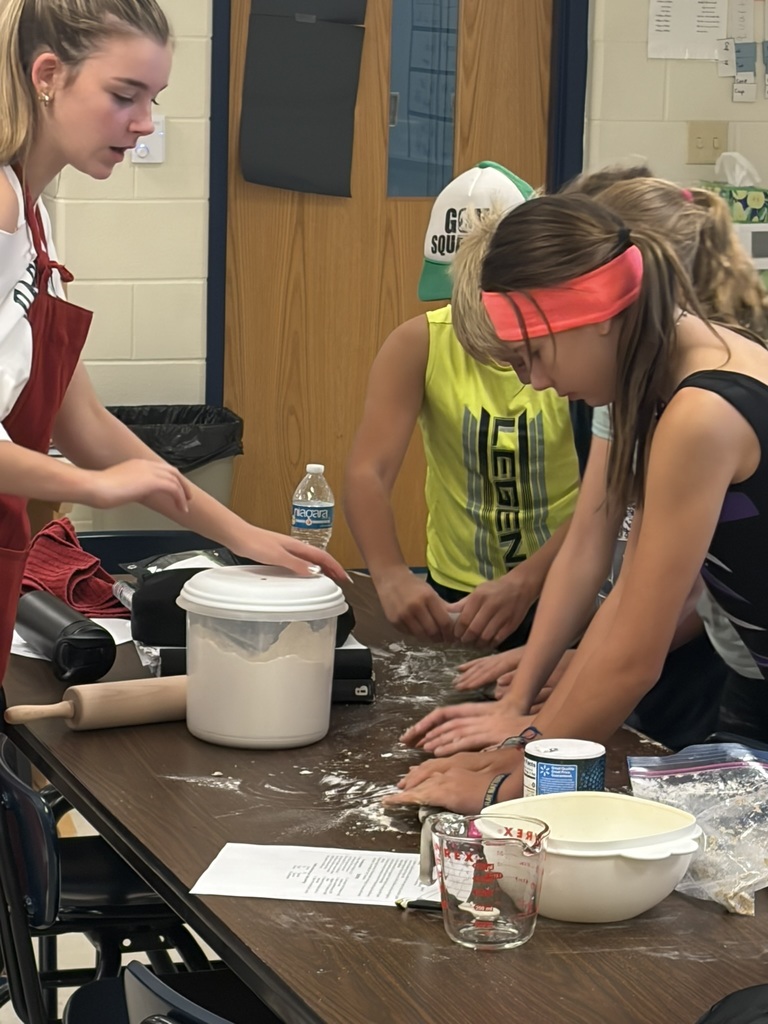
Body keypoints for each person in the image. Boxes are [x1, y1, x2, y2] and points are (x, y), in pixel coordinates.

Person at [386, 185, 768, 812]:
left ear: (600, 317)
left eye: (534, 354)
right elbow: (624, 604)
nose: (537, 381)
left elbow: (634, 657)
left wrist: (505, 785)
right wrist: (531, 741)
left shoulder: (703, 412)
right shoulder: (666, 380)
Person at [0, 0, 346, 687]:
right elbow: (94, 460)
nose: (144, 123)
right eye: (123, 96)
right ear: (47, 75)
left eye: (153, 99)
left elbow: (86, 423)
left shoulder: (32, 218)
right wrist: (90, 484)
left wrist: (241, 535)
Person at [344, 162, 583, 649]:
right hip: (460, 591)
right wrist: (389, 573)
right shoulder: (420, 344)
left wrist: (531, 579)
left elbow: (610, 496)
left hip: (571, 583)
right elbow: (367, 472)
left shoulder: (580, 355)